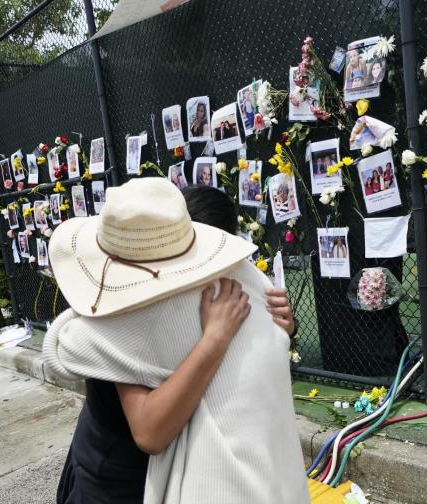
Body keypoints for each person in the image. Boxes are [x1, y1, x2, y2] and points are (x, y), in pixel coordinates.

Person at [47, 180, 306, 503]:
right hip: (116, 480)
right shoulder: (119, 307)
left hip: (170, 472)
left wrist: (279, 327)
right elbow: (150, 432)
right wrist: (215, 338)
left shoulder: (226, 292)